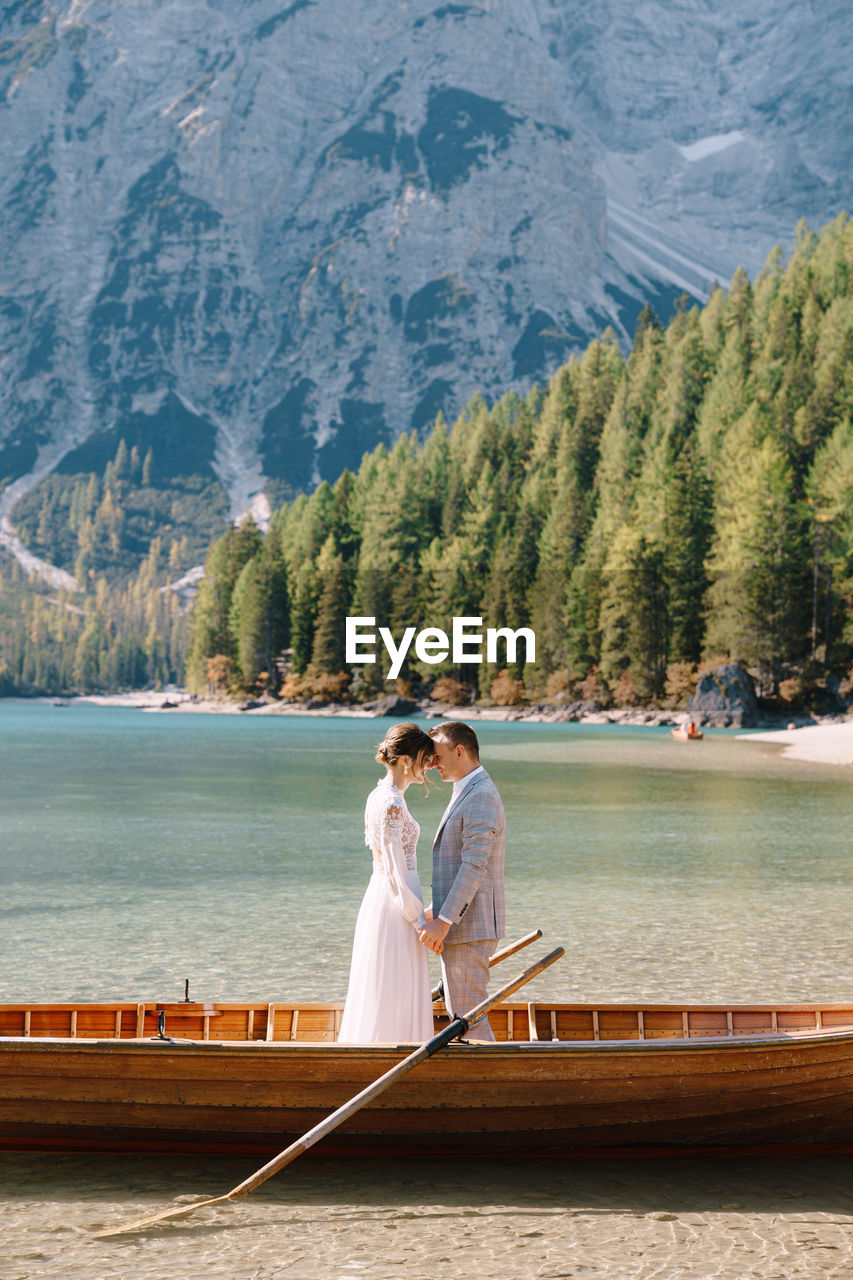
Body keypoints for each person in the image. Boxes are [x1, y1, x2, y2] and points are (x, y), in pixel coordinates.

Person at [338, 722, 436, 1043]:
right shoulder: (392, 803)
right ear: (406, 760)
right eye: (424, 759)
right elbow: (395, 872)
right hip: (397, 902)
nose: (428, 766)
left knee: (386, 983)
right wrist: (419, 919)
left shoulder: (378, 794)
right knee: (397, 984)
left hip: (382, 896)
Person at [418, 721, 505, 1042]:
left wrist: (443, 921)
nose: (432, 764)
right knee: (463, 1015)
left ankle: (495, 1085)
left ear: (460, 751)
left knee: (468, 1019)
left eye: (437, 756)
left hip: (468, 927)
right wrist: (434, 911)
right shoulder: (467, 789)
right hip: (464, 923)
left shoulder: (480, 794)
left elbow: (473, 866)